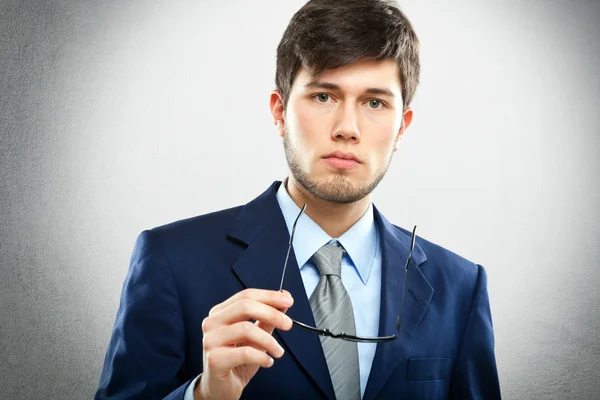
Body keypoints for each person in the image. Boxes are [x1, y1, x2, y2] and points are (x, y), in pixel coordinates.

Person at [95, 0, 501, 399]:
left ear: (401, 129)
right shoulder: (172, 261)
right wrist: (203, 397)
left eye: (374, 103)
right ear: (279, 111)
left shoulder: (460, 287)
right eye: (324, 96)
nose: (347, 128)